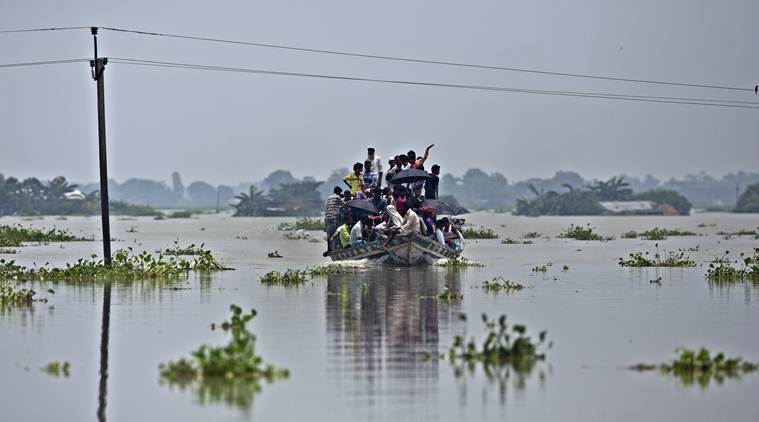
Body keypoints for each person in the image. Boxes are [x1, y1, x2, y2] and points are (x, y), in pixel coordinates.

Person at [323, 186, 344, 253]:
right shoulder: (337, 197)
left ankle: (329, 249)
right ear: (338, 192)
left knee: (329, 233)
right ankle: (338, 247)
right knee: (336, 232)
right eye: (340, 192)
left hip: (327, 217)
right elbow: (343, 204)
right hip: (334, 216)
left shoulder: (329, 197)